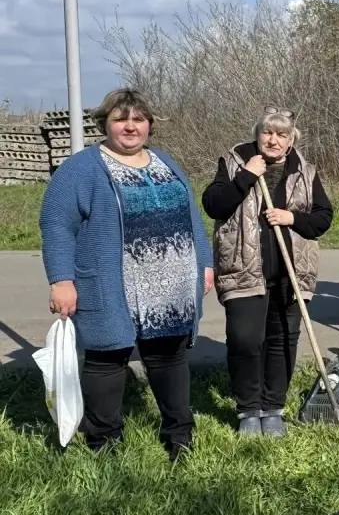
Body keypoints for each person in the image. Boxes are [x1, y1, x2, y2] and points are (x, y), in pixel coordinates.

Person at [40, 88, 213, 460]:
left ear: (149, 125)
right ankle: (105, 442)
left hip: (171, 289)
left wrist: (205, 263)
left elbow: (191, 216)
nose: (130, 126)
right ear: (105, 124)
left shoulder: (166, 162)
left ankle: (179, 437)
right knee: (107, 359)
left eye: (138, 119)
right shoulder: (82, 168)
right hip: (111, 285)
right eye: (121, 119)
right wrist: (62, 280)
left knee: (170, 358)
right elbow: (56, 224)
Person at [202, 107, 334, 437]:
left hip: (290, 272)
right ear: (257, 133)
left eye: (281, 135)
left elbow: (322, 218)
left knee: (282, 340)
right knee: (246, 340)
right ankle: (248, 409)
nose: (273, 140)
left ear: (291, 141)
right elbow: (214, 205)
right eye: (267, 133)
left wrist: (293, 219)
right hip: (243, 268)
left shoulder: (304, 170)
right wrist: (246, 176)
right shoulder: (234, 161)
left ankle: (273, 407)